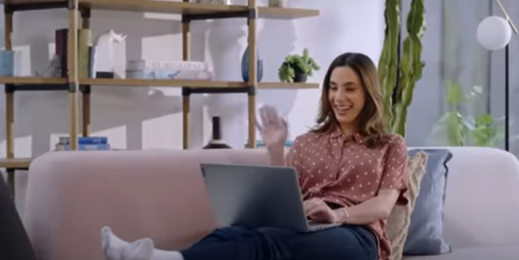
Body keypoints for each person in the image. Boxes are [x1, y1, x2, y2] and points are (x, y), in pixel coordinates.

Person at [101, 52, 409, 260]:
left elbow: (382, 206)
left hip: (355, 236)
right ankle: (162, 257)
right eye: (333, 88)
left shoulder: (390, 144)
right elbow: (286, 195)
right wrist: (275, 149)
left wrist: (338, 215)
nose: (338, 98)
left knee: (268, 244)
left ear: (368, 92)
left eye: (350, 89)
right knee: (233, 232)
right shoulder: (307, 142)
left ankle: (161, 258)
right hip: (305, 224)